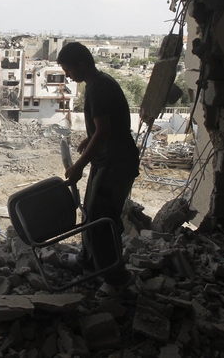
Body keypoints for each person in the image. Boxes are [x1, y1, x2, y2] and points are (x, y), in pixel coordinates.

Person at [57, 42, 139, 290]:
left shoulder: (97, 89)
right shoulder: (99, 83)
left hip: (115, 163)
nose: (68, 76)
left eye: (68, 70)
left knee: (102, 220)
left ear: (81, 65)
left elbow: (104, 132)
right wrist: (88, 136)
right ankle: (89, 261)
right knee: (91, 214)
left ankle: (117, 280)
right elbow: (105, 126)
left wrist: (78, 166)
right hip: (107, 160)